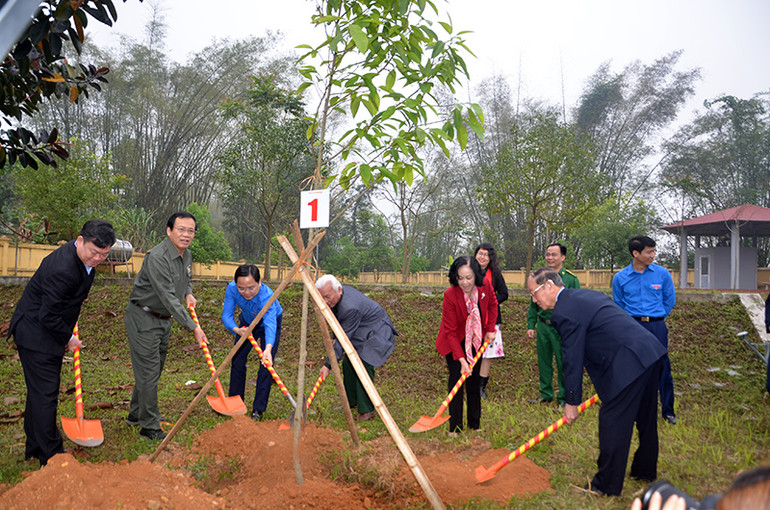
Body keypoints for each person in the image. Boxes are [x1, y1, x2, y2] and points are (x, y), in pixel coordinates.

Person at [527, 267, 666, 496]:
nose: (534, 300)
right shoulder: (583, 296)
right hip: (649, 352)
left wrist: (571, 402)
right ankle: (644, 471)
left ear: (549, 286)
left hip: (629, 361)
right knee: (645, 417)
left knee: (613, 420)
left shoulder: (564, 312)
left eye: (534, 293)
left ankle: (605, 486)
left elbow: (572, 358)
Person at [9, 220, 116, 465]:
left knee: (38, 392)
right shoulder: (63, 269)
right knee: (46, 394)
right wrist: (68, 337)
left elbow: (67, 301)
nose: (98, 258)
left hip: (45, 327)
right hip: (36, 333)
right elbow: (48, 315)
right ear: (80, 241)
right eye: (94, 252)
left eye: (104, 254)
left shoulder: (81, 259)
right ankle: (52, 454)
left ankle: (35, 447)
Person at [125, 212, 208, 441]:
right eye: (181, 229)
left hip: (163, 320)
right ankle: (149, 427)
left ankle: (136, 414)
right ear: (169, 230)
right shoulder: (157, 257)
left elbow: (184, 280)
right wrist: (193, 327)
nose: (186, 235)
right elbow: (169, 297)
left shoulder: (186, 254)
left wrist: (189, 293)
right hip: (144, 317)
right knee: (149, 371)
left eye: (191, 230)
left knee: (152, 370)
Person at [613, 235, 677, 425]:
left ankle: (668, 411)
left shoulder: (662, 274)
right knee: (634, 369)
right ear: (636, 253)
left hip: (657, 326)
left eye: (653, 251)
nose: (653, 255)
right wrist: (631, 324)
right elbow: (619, 303)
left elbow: (669, 300)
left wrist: (657, 317)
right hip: (632, 327)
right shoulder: (620, 278)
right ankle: (634, 411)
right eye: (649, 251)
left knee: (662, 368)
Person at [316, 274, 398, 421]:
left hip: (377, 330)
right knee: (348, 363)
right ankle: (352, 402)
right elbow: (339, 323)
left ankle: (366, 410)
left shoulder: (349, 307)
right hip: (362, 328)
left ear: (338, 290)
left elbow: (343, 338)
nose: (325, 301)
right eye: (322, 297)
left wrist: (328, 365)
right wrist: (335, 337)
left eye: (327, 296)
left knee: (362, 364)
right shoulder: (336, 299)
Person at [435, 256, 498, 434]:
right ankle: (455, 427)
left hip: (476, 338)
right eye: (460, 277)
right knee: (456, 381)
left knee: (474, 380)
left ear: (476, 275)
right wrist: (462, 361)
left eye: (468, 277)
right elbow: (450, 332)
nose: (464, 282)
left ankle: (474, 424)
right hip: (454, 340)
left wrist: (491, 329)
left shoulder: (485, 285)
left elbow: (493, 304)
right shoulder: (450, 295)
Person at [221, 264, 283, 421]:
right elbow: (226, 315)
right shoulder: (232, 289)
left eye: (251, 288)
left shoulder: (267, 296)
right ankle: (235, 403)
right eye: (241, 288)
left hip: (269, 322)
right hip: (247, 323)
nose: (246, 293)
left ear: (259, 282)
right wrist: (237, 330)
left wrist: (268, 348)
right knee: (237, 360)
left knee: (266, 365)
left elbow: (270, 324)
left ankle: (258, 409)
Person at [526, 242, 581, 406]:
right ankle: (546, 393)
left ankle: (564, 397)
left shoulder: (571, 279)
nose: (550, 257)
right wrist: (531, 325)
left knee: (563, 362)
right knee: (544, 362)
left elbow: (576, 304)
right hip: (543, 325)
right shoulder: (539, 278)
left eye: (554, 254)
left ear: (562, 257)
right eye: (548, 254)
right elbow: (533, 304)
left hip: (562, 328)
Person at [474, 243, 508, 400]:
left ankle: (481, 387)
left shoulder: (494, 274)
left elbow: (504, 293)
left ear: (490, 259)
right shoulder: (468, 271)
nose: (482, 257)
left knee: (486, 355)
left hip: (490, 319)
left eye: (486, 255)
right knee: (471, 351)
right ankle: (470, 383)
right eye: (480, 253)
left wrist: (490, 302)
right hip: (472, 319)